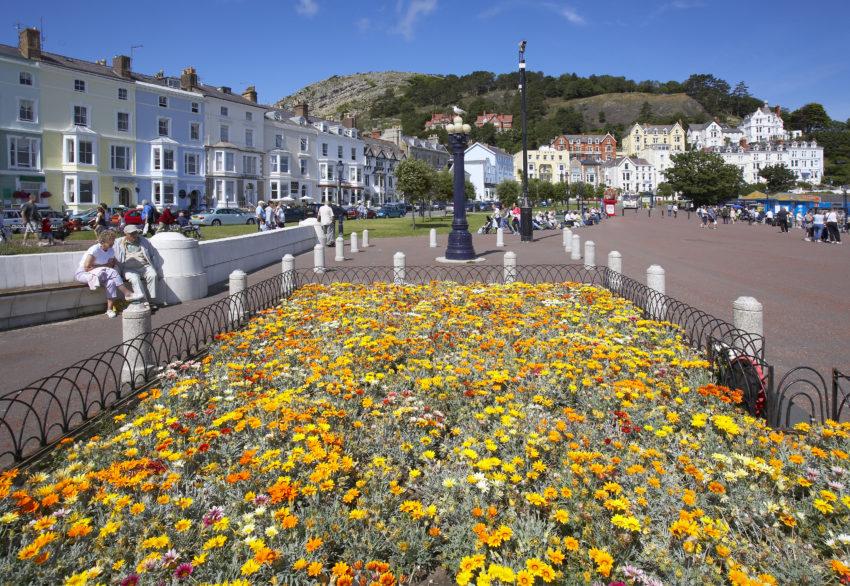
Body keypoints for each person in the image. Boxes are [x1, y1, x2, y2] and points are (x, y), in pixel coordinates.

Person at [74, 229, 143, 318]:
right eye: (111, 242)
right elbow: (87, 267)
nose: (113, 244)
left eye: (113, 241)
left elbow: (109, 266)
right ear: (103, 241)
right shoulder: (95, 249)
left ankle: (109, 310)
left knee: (111, 282)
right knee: (112, 272)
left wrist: (102, 267)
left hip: (101, 275)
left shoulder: (111, 251)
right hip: (84, 274)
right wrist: (103, 266)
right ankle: (127, 293)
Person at [115, 224, 159, 306]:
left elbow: (153, 254)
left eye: (135, 233)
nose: (134, 235)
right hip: (128, 268)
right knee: (135, 279)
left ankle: (152, 300)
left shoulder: (144, 241)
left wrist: (155, 267)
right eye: (131, 234)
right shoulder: (118, 242)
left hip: (144, 266)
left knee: (153, 275)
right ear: (126, 234)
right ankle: (144, 301)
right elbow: (106, 244)